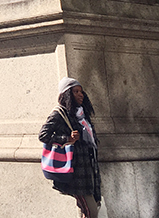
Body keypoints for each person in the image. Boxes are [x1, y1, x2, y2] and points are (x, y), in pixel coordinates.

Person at [39, 78, 102, 218]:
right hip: (76, 171)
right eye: (76, 92)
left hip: (89, 169)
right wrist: (67, 139)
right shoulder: (60, 113)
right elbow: (43, 135)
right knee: (91, 211)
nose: (81, 95)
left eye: (81, 91)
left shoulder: (82, 114)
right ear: (67, 94)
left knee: (90, 208)